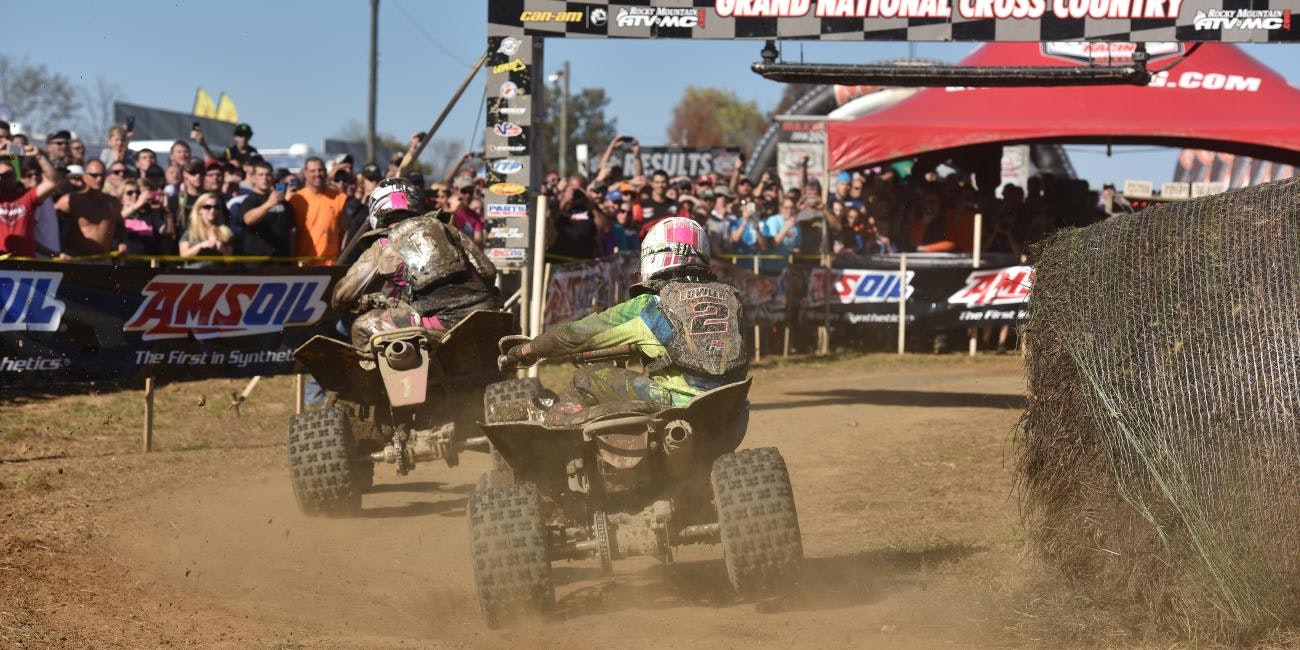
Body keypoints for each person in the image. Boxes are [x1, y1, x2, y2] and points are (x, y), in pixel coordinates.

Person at [501, 216, 747, 413]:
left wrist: (526, 351)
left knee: (585, 378)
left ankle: (553, 459)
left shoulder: (649, 306)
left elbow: (572, 335)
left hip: (676, 404)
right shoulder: (731, 297)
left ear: (653, 256)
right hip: (730, 406)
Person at [330, 178, 501, 349]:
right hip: (486, 315)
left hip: (441, 322)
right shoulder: (447, 228)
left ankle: (376, 376)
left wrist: (340, 306)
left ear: (376, 210)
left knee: (362, 326)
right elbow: (488, 271)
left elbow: (344, 294)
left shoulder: (382, 245)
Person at [55, 160, 127, 258]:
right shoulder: (70, 200)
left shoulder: (112, 203)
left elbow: (120, 224)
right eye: (94, 175)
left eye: (102, 175)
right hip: (77, 260)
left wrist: (122, 242)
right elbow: (50, 224)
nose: (99, 179)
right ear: (84, 176)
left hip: (104, 260)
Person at [0, 146, 62, 257]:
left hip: (27, 263)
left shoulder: (26, 196)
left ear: (15, 176)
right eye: (0, 176)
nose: (2, 179)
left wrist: (39, 156)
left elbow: (54, 182)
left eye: (7, 175)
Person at [289, 157, 348, 264]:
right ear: (305, 173)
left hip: (331, 264)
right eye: (313, 171)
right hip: (303, 264)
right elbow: (291, 233)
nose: (317, 174)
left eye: (320, 170)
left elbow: (345, 231)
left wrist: (341, 257)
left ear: (325, 172)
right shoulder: (296, 199)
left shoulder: (339, 198)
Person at [235, 159, 296, 259]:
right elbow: (248, 220)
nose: (265, 178)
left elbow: (291, 231)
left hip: (282, 262)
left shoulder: (282, 202)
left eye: (268, 175)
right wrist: (269, 204)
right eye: (261, 175)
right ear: (253, 178)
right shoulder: (249, 200)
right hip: (258, 263)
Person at [178, 192, 234, 265]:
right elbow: (183, 256)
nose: (212, 210)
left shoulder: (225, 232)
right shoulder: (190, 232)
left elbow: (229, 261)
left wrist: (222, 249)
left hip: (217, 273)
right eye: (207, 207)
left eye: (216, 207)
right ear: (199, 210)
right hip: (195, 273)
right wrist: (201, 246)